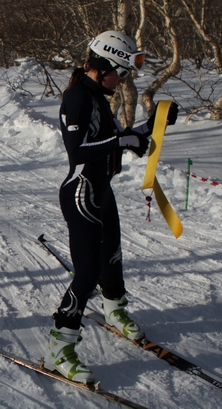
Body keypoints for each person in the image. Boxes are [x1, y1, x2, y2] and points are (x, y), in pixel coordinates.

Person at [44, 31, 178, 383]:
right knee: (87, 273)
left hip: (102, 190)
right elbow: (80, 150)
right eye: (121, 71)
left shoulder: (99, 97)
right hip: (81, 193)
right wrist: (124, 138)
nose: (124, 79)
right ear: (103, 66)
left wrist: (155, 123)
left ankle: (115, 311)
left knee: (113, 258)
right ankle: (60, 348)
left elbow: (120, 141)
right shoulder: (78, 97)